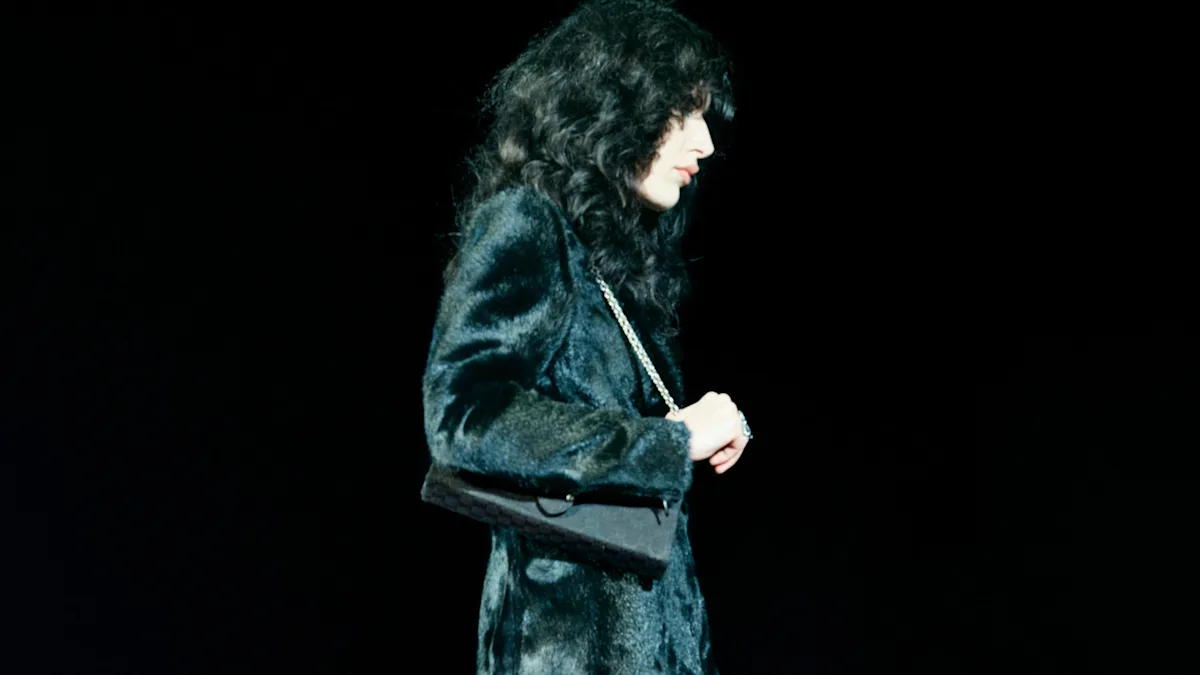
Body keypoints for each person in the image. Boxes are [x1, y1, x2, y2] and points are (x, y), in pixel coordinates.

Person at [421, 1, 750, 672]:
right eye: (683, 113)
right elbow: (463, 413)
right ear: (616, 106)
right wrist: (670, 442)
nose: (706, 144)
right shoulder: (527, 222)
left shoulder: (608, 261)